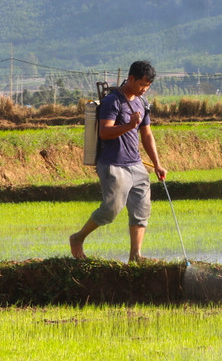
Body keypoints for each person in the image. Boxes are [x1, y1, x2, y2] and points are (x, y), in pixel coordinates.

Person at [70, 60, 167, 262]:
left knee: (141, 210)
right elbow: (105, 132)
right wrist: (130, 124)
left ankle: (136, 256)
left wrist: (157, 164)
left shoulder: (142, 103)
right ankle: (78, 238)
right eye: (141, 85)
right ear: (131, 78)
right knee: (110, 210)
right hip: (113, 165)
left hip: (136, 165)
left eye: (147, 86)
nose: (143, 90)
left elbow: (147, 135)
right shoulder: (113, 101)